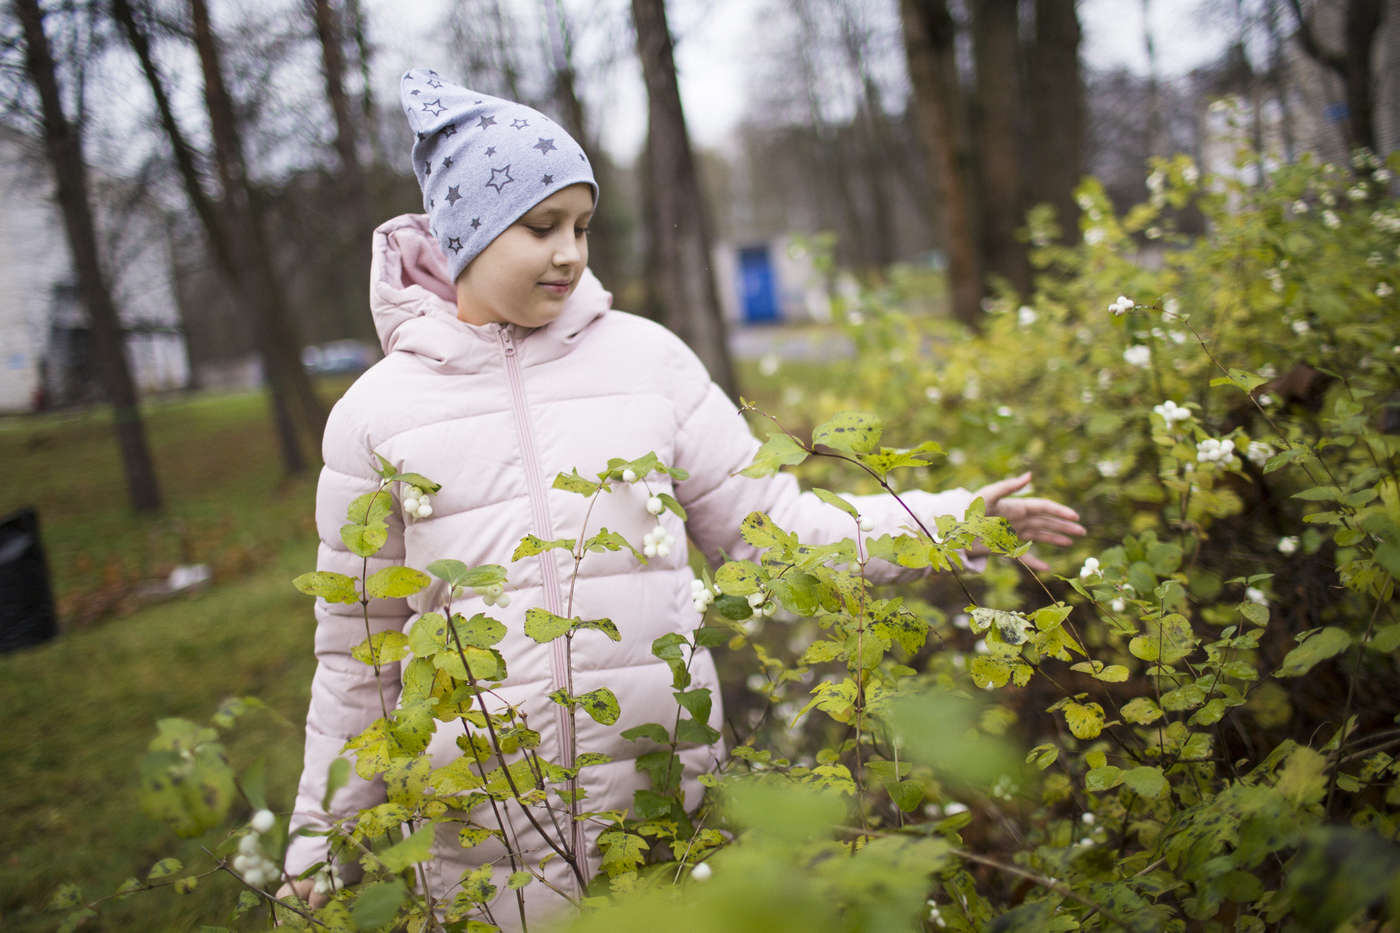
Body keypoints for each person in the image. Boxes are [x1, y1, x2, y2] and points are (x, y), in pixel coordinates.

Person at [278, 69, 1084, 929]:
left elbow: (775, 529)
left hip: (665, 815)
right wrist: (318, 844)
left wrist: (953, 525)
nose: (571, 252)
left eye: (583, 225)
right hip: (481, 840)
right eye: (541, 225)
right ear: (464, 234)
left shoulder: (646, 361)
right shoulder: (376, 416)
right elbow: (361, 655)